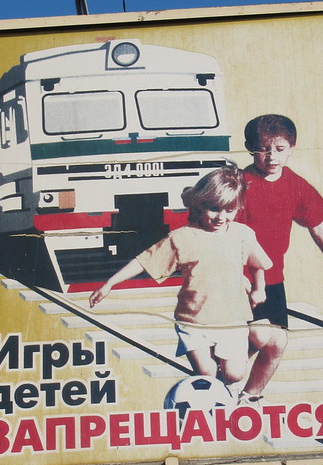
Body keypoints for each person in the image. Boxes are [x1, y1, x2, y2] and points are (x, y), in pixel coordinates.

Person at [89, 166, 285, 403]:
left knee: (235, 374)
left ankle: (231, 388)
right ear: (199, 204)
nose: (221, 217)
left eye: (229, 210)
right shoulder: (181, 238)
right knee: (207, 373)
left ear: (238, 208)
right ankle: (213, 404)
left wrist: (259, 288)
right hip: (194, 322)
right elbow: (144, 260)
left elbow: (257, 263)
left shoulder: (242, 234)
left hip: (232, 319)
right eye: (214, 209)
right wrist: (109, 283)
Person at [236, 114, 323, 394]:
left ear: (291, 148)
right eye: (263, 148)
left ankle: (249, 397)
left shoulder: (295, 184)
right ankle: (221, 377)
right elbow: (223, 236)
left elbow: (318, 226)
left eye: (279, 149)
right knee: (258, 335)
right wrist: (236, 278)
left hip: (272, 280)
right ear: (250, 147)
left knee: (277, 343)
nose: (271, 156)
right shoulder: (240, 184)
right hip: (239, 277)